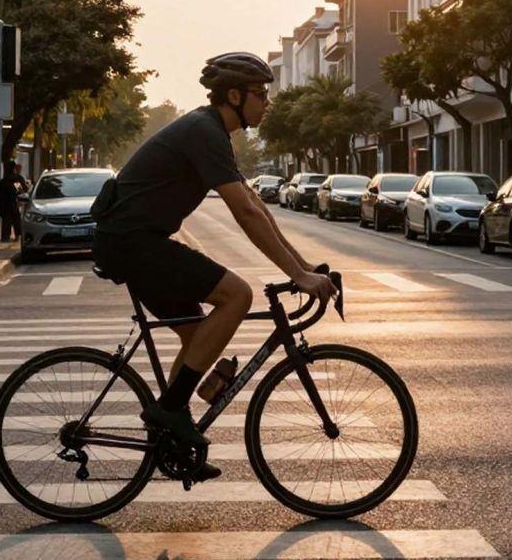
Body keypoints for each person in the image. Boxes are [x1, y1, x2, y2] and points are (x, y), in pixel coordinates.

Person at [91, 52, 335, 482]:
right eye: (261, 94)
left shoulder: (212, 132)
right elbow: (244, 212)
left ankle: (172, 438)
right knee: (237, 295)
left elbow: (257, 205)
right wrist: (297, 276)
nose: (267, 103)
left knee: (195, 335)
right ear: (235, 96)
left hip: (135, 241)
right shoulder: (205, 131)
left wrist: (303, 265)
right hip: (134, 243)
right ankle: (169, 412)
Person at [0, 161, 27, 242]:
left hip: (5, 204)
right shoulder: (16, 180)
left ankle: (6, 236)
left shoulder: (3, 181)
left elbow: (0, 194)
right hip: (14, 203)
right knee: (16, 220)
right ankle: (18, 235)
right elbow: (21, 191)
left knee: (6, 221)